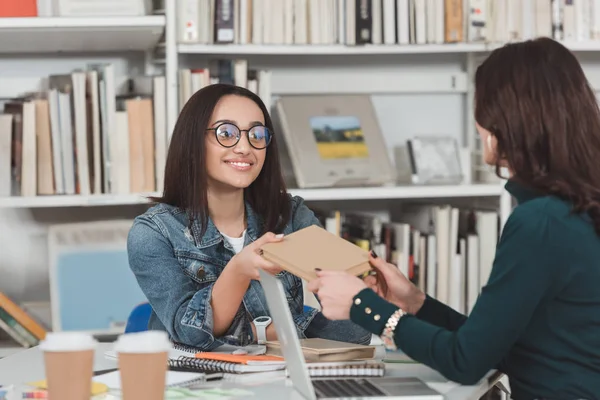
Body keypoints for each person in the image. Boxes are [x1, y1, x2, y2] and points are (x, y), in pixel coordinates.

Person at [307, 37, 600, 400]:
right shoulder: (572, 209)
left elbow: (466, 361)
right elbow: (494, 346)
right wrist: (415, 302)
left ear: (505, 119)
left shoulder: (541, 222)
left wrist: (362, 305)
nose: (477, 125)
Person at [127, 84, 371, 351]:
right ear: (193, 141)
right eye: (226, 133)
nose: (245, 147)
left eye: (256, 134)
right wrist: (239, 271)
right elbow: (191, 334)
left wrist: (369, 297)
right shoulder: (153, 233)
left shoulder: (291, 215)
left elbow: (354, 330)